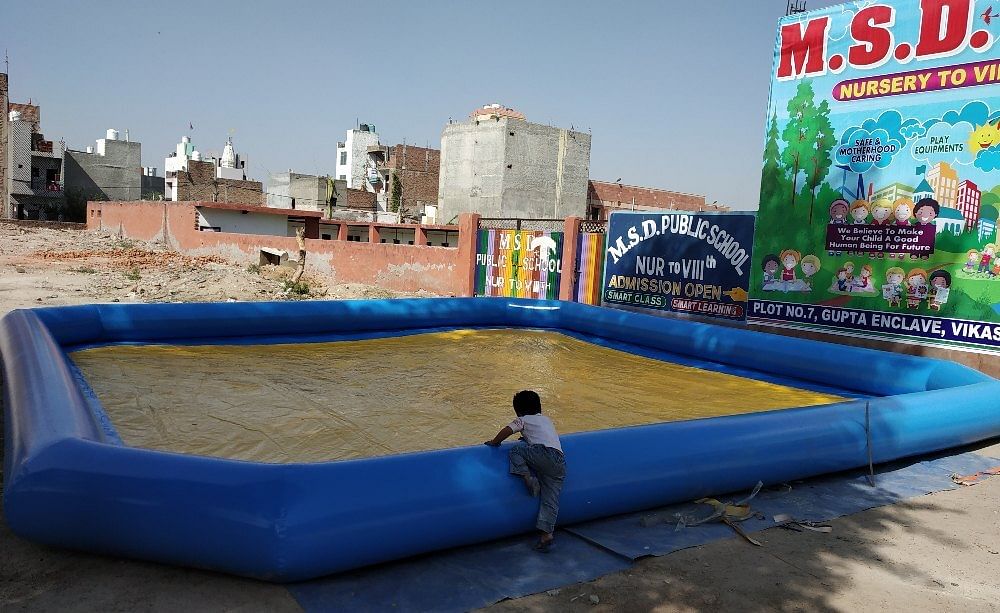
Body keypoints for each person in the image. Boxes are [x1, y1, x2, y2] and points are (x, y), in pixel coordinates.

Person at [485, 390, 566, 552]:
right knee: (550, 499)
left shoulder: (523, 420)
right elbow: (542, 436)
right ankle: (546, 534)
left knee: (516, 451)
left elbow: (507, 430)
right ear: (539, 408)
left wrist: (494, 442)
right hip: (559, 461)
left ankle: (528, 478)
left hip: (543, 454)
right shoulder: (546, 420)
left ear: (518, 411)